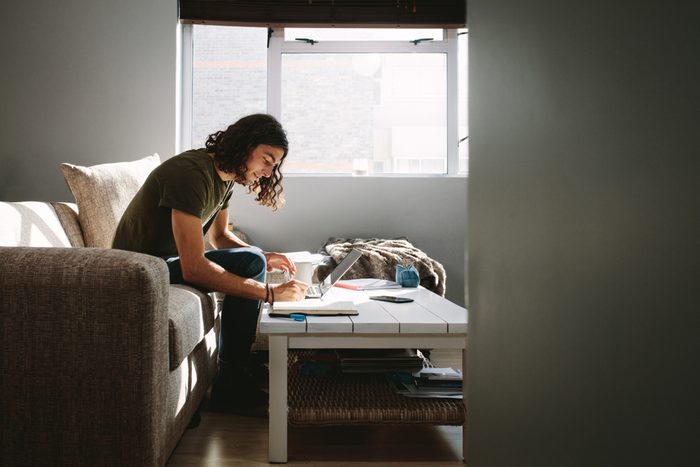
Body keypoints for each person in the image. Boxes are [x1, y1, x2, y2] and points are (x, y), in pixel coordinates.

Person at [112, 114, 308, 416]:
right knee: (251, 262)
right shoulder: (190, 174)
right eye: (266, 160)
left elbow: (219, 236)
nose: (269, 173)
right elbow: (193, 268)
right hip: (140, 267)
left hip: (164, 260)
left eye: (274, 165)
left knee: (252, 258)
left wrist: (264, 255)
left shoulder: (225, 177)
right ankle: (231, 381)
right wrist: (268, 293)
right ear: (245, 146)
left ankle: (234, 372)